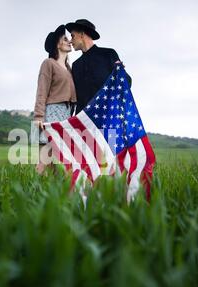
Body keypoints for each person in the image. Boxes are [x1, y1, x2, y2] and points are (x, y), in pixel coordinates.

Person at [33, 24, 77, 174]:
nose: (69, 41)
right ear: (57, 44)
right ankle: (35, 189)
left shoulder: (69, 68)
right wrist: (38, 116)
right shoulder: (48, 63)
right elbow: (42, 90)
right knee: (46, 156)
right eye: (65, 39)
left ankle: (54, 189)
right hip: (51, 112)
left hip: (66, 114)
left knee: (63, 157)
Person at [65, 19, 132, 114]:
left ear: (82, 34)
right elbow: (76, 98)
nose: (71, 41)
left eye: (72, 36)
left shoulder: (108, 54)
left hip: (108, 120)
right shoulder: (76, 65)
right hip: (84, 123)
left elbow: (127, 83)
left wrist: (121, 72)